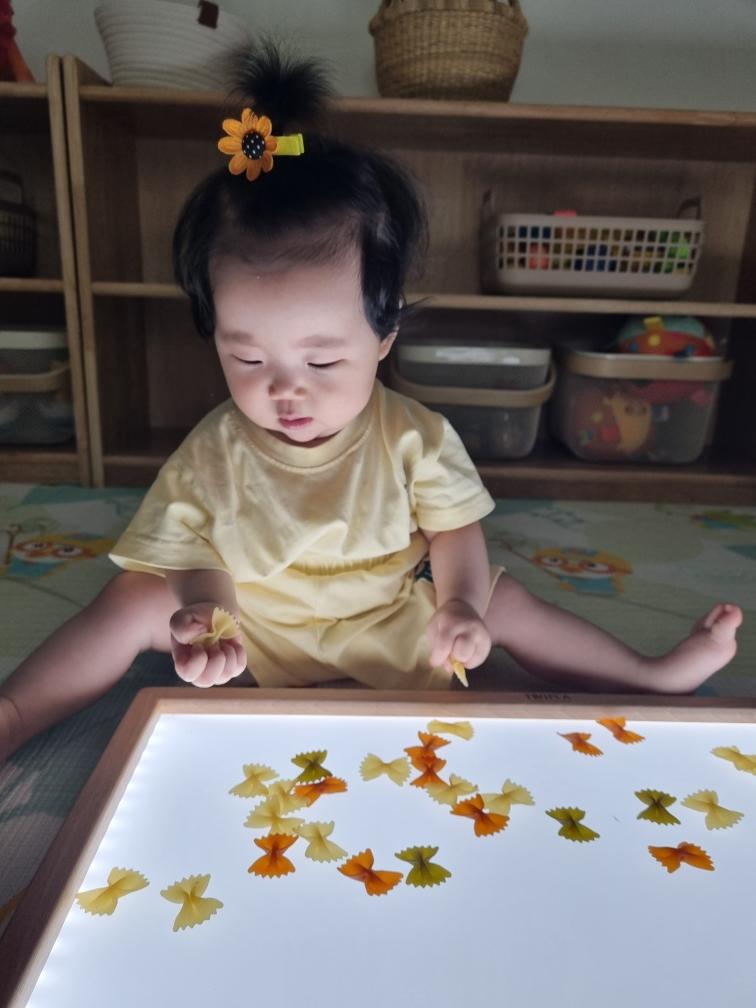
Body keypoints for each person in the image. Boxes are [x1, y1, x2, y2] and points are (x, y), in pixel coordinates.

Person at [0, 45, 742, 763]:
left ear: (384, 336)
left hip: (394, 622)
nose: (285, 387)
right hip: (259, 631)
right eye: (248, 358)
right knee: (132, 595)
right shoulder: (213, 449)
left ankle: (647, 676)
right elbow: (190, 550)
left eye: (323, 360)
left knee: (504, 600)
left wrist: (460, 605)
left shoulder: (415, 436)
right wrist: (205, 616)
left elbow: (454, 533)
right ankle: (15, 713)